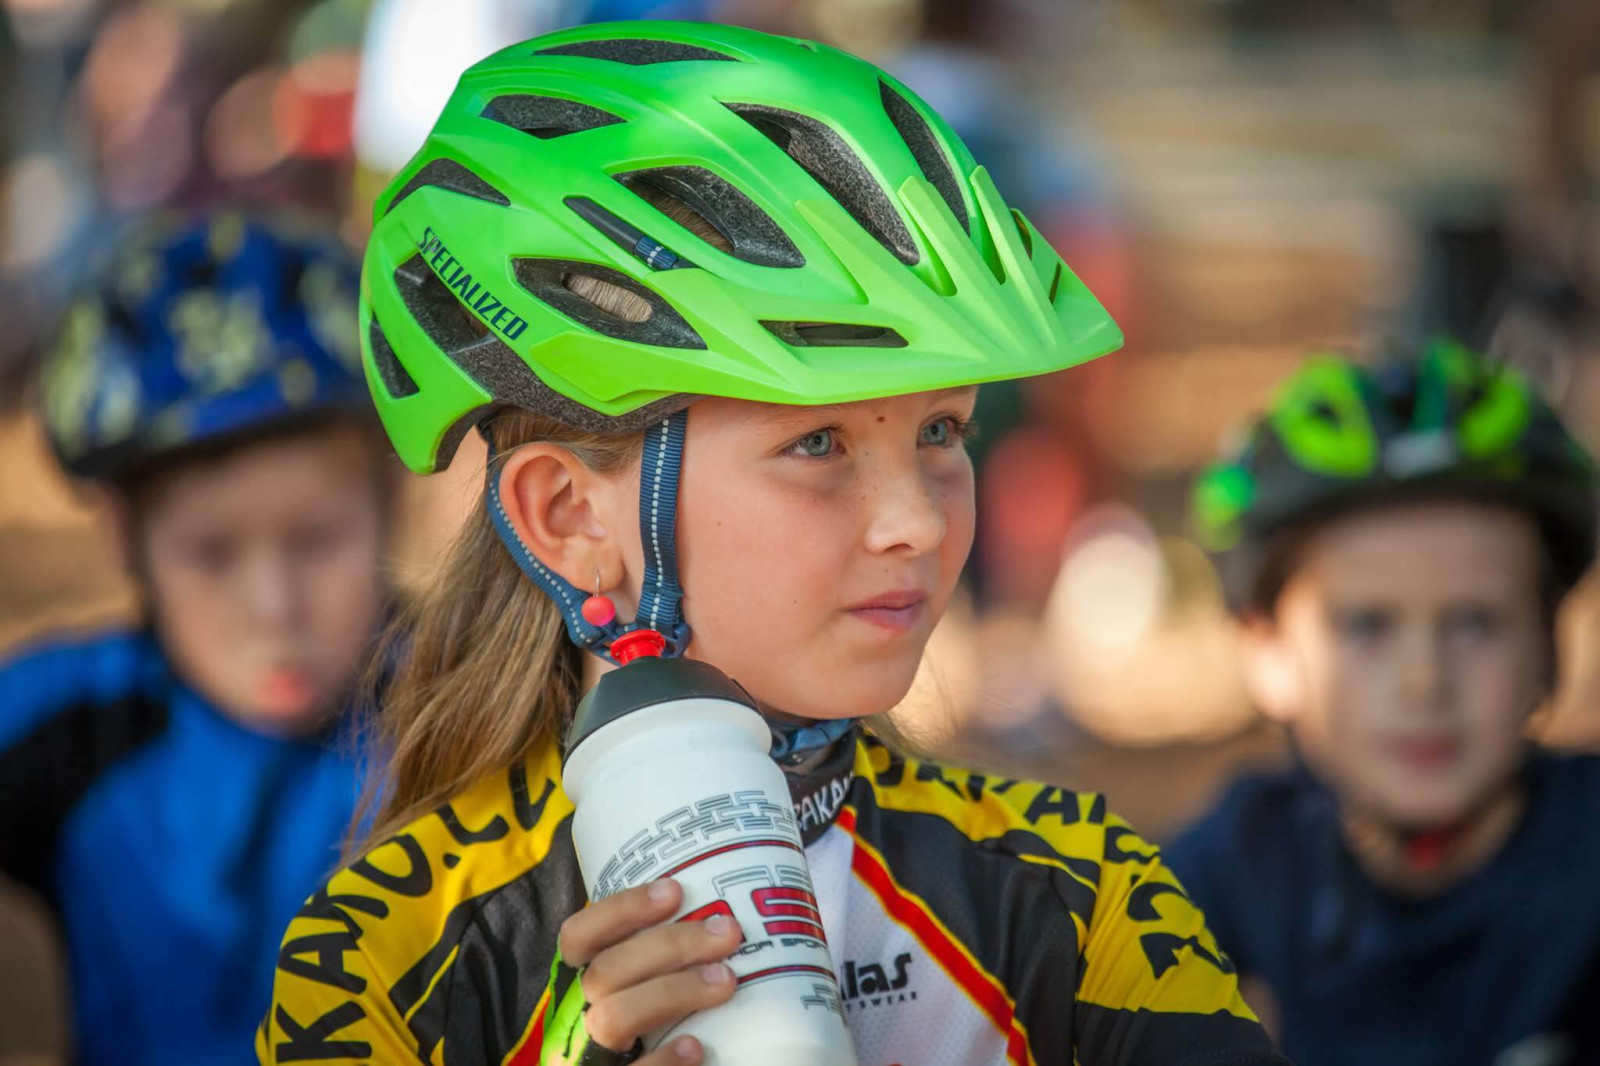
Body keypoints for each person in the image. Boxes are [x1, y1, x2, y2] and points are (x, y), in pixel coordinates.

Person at [257, 22, 1287, 1066]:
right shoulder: (379, 958)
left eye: (941, 431)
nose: (921, 521)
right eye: (818, 444)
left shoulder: (1079, 888)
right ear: (569, 517)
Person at [0, 211, 395, 1065]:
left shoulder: (474, 705)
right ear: (126, 540)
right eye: (211, 555)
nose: (274, 610)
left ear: (390, 504)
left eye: (317, 541)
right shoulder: (72, 723)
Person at [1169, 340, 1600, 1065]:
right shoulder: (1244, 862)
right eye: (1366, 625)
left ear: (1550, 643)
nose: (1423, 682)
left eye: (1476, 622)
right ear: (1266, 649)